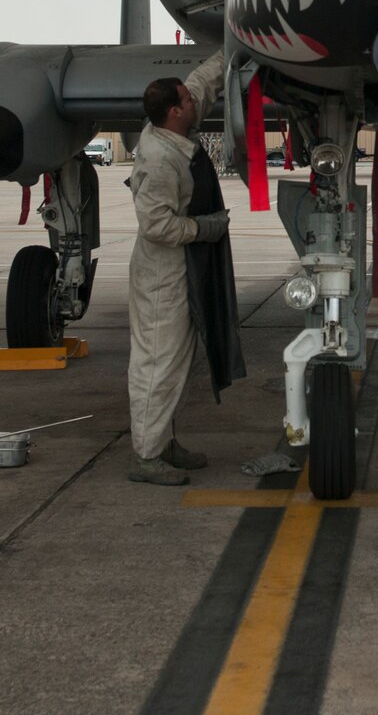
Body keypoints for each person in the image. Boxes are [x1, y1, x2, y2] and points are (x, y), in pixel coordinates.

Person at [124, 49, 228, 486]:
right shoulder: (159, 159)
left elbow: (201, 82)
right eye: (186, 101)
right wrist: (203, 228)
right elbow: (156, 225)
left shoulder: (172, 128)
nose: (194, 102)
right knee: (157, 361)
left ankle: (164, 441)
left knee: (179, 360)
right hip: (162, 273)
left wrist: (232, 43)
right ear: (172, 112)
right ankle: (147, 456)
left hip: (179, 268)